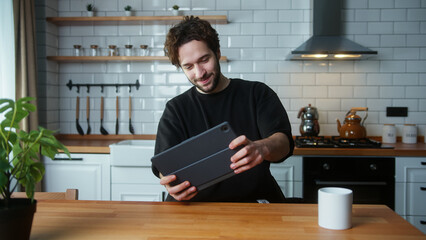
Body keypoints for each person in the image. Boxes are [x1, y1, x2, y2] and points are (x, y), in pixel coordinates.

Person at [152, 16, 294, 203]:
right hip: (197, 207)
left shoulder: (256, 93)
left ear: (217, 52)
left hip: (254, 203)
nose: (199, 73)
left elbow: (283, 142)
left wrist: (263, 147)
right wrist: (170, 183)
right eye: (188, 66)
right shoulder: (176, 109)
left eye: (204, 60)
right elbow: (164, 165)